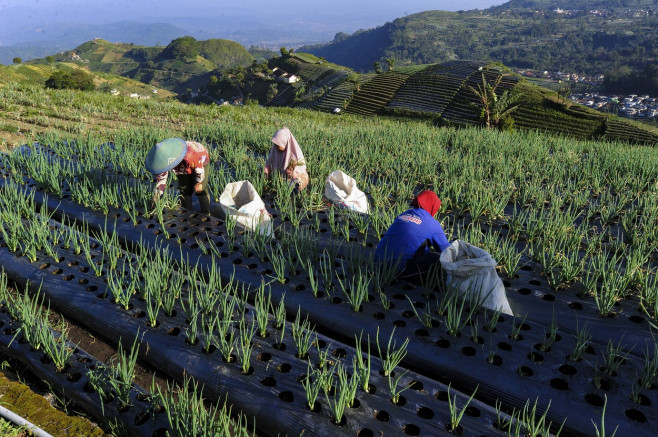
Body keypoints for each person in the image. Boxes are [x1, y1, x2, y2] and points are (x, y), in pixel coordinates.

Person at [374, 190, 451, 281]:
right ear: (433, 206)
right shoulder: (432, 224)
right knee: (438, 259)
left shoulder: (404, 214)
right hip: (399, 270)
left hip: (377, 263)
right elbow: (447, 251)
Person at [145, 137, 211, 213]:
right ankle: (187, 212)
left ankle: (206, 213)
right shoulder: (162, 160)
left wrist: (199, 182)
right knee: (184, 188)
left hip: (200, 159)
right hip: (182, 164)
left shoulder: (190, 156)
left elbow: (199, 171)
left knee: (201, 189)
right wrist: (157, 195)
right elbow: (162, 179)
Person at [264, 127, 309, 193]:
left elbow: (299, 170)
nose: (276, 146)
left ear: (284, 142)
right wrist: (266, 173)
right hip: (280, 176)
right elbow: (269, 163)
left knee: (297, 183)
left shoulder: (295, 154)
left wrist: (291, 172)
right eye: (276, 144)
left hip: (293, 177)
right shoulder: (275, 149)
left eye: (278, 143)